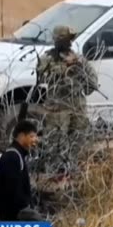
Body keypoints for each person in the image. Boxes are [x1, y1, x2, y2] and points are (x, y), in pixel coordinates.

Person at [36, 25, 98, 173]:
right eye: (65, 39)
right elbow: (43, 78)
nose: (69, 43)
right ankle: (55, 170)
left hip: (77, 104)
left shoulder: (78, 59)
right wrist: (65, 68)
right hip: (58, 105)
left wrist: (78, 66)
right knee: (56, 140)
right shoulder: (47, 59)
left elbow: (92, 83)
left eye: (70, 39)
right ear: (58, 40)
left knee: (78, 137)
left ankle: (72, 168)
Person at [0, 120, 42, 221]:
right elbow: (11, 191)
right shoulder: (12, 156)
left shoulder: (18, 155)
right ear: (21, 136)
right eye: (32, 136)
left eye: (36, 137)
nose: (35, 140)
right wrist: (26, 209)